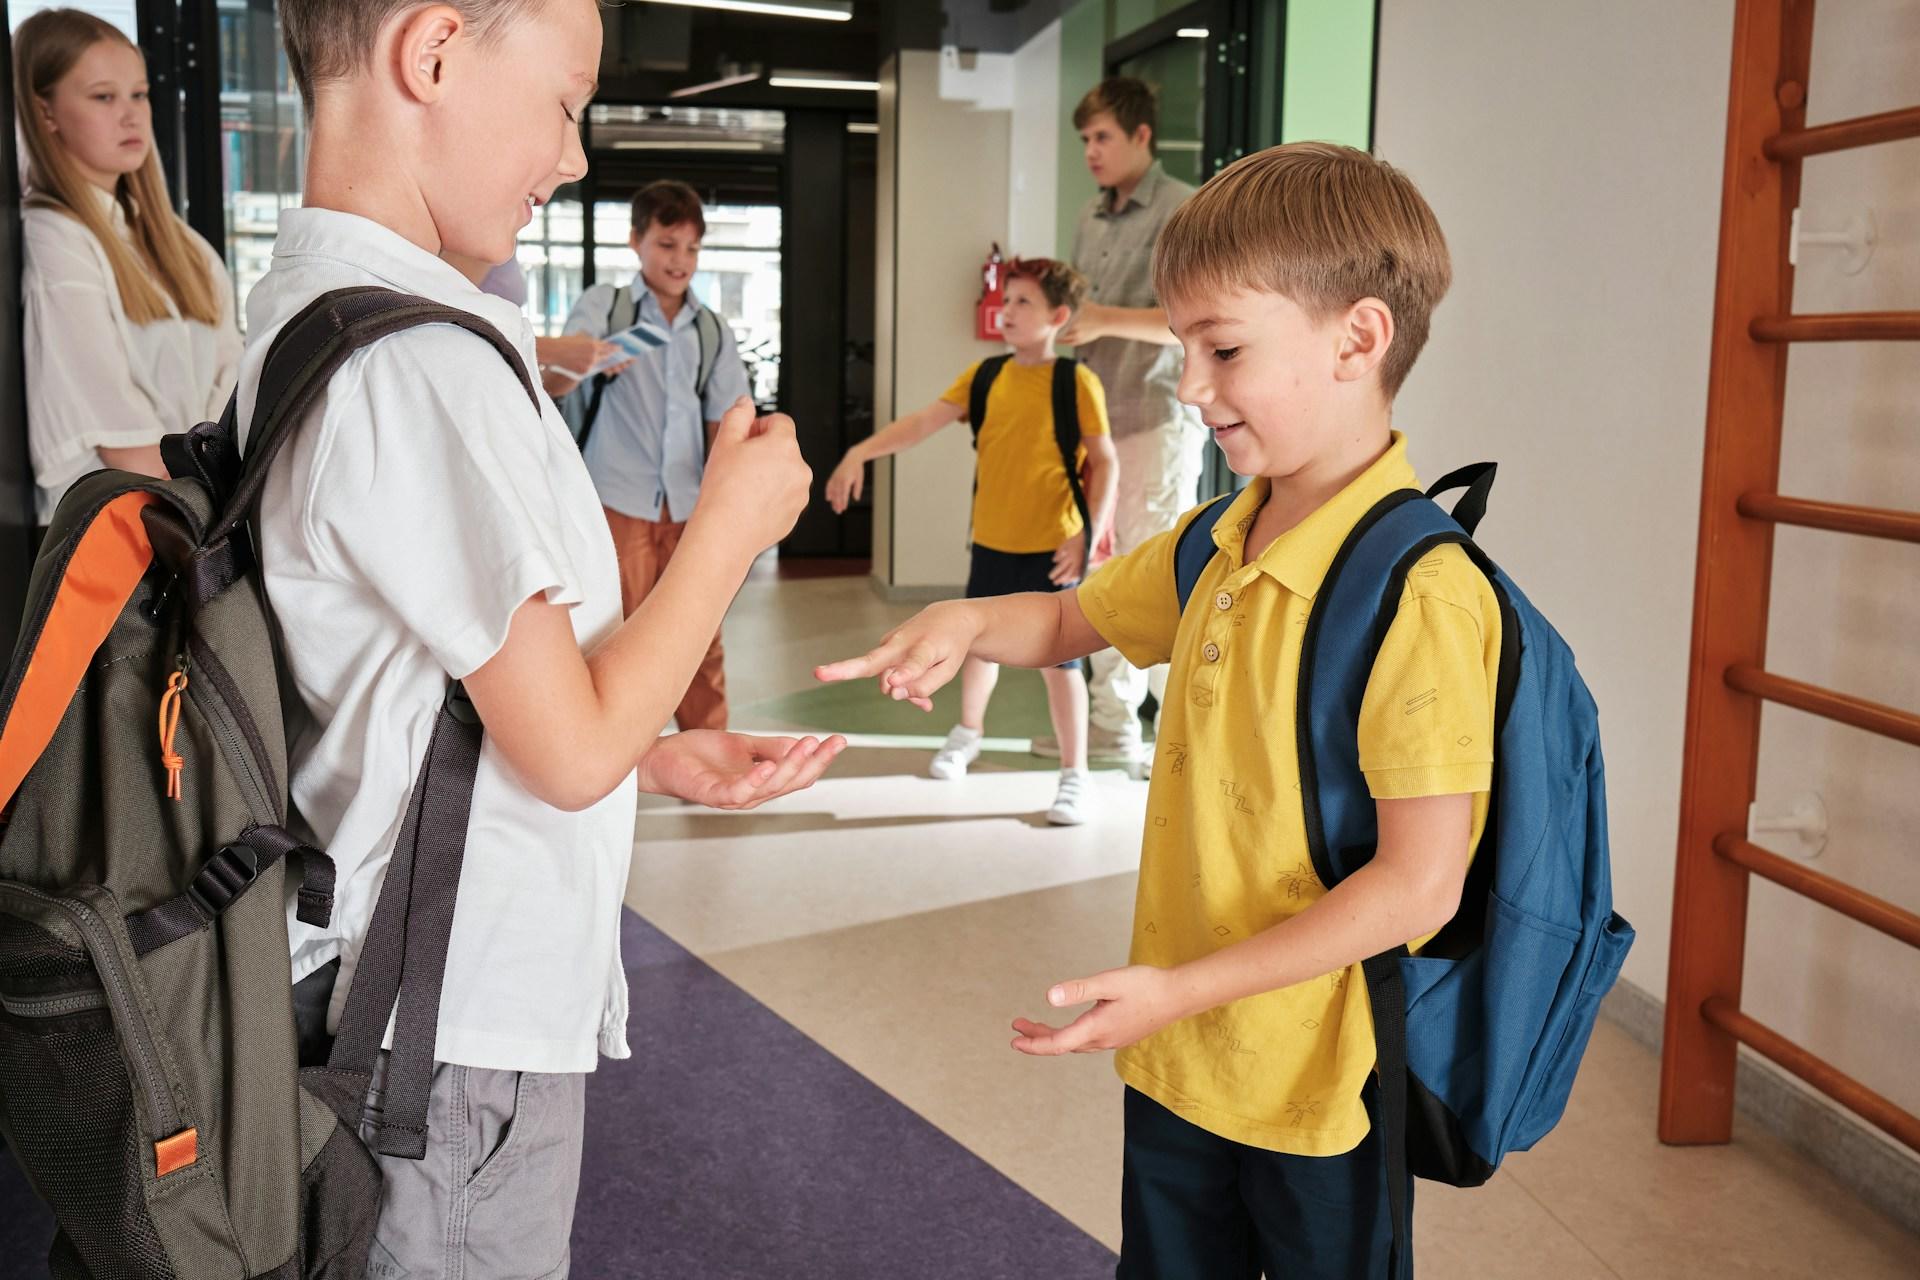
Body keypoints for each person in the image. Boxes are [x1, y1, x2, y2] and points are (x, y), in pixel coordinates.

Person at [820, 142, 1484, 1277]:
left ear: (1358, 339)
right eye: (1184, 347)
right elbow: (1075, 620)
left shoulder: (1421, 593)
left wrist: (1183, 988)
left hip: (1323, 1089)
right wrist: (969, 624)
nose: (1189, 385)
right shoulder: (1218, 536)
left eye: (1222, 347)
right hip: (1175, 1048)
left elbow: (1421, 880)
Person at [256, 2, 842, 1273]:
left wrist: (656, 750)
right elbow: (565, 749)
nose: (573, 156)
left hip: (385, 980)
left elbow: (434, 684)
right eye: (566, 101)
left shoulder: (308, 307)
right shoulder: (422, 368)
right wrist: (729, 533)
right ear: (435, 50)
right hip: (449, 1028)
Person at [825, 258, 1117, 826]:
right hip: (991, 543)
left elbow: (1105, 462)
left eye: (1022, 302)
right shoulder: (984, 377)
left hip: (1053, 548)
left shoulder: (1075, 382)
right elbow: (920, 424)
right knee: (980, 647)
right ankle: (968, 733)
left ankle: (1075, 774)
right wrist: (860, 452)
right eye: (1005, 301)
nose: (1006, 311)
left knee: (1063, 665)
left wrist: (1087, 536)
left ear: (1057, 316)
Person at [14, 8, 241, 538]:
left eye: (138, 95)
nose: (132, 115)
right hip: (118, 550)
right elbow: (121, 444)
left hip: (192, 532)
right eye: (103, 96)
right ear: (45, 113)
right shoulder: (54, 239)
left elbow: (235, 393)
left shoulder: (182, 245)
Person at [1046, 76, 1203, 773]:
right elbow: (1082, 308)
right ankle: (1112, 729)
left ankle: (1174, 733)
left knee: (1158, 577)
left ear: (1142, 136)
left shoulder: (1183, 209)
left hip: (1155, 422)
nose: (1090, 151)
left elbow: (1193, 319)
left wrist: (1104, 319)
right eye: (1084, 139)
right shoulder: (1090, 216)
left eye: (1102, 137)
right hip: (1095, 426)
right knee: (1103, 576)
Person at [562, 179, 752, 732]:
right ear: (636, 242)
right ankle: (614, 751)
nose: (681, 261)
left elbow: (725, 423)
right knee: (615, 633)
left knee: (700, 632)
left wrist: (730, 507)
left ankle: (708, 744)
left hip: (690, 504)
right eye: (668, 244)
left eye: (692, 248)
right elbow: (556, 376)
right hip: (617, 498)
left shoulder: (712, 329)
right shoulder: (607, 306)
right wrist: (592, 359)